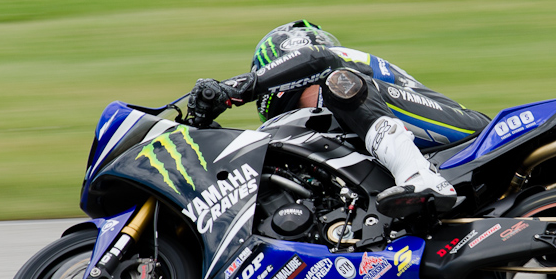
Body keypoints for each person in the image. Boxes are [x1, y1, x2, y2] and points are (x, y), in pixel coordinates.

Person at [188, 20, 490, 211]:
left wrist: (235, 88)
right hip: (443, 165)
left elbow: (319, 58)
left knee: (340, 83)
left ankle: (419, 176)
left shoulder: (336, 65)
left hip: (474, 137)